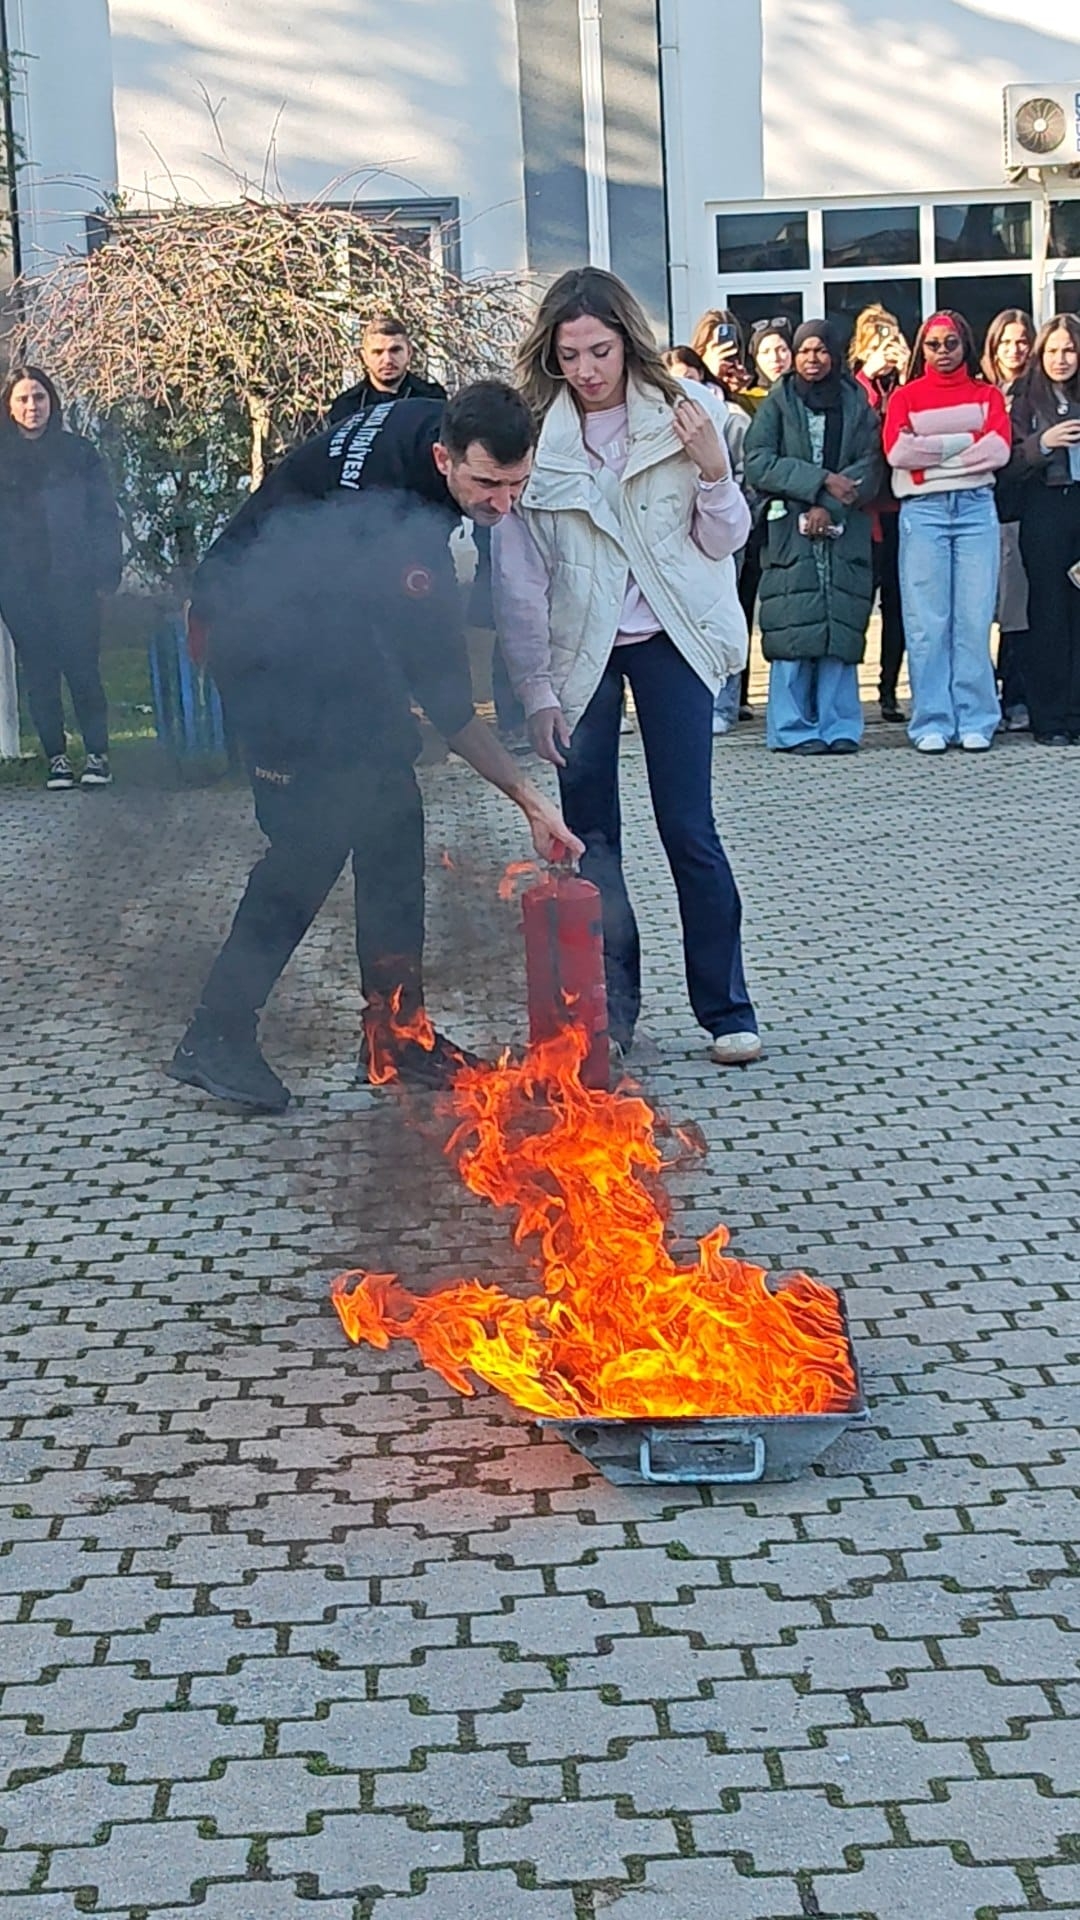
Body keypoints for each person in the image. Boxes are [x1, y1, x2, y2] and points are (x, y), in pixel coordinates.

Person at [169, 384, 583, 1114]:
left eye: (517, 484)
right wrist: (530, 801)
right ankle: (215, 1034)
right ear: (441, 458)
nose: (503, 503)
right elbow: (449, 702)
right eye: (487, 484)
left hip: (330, 636)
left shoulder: (440, 422)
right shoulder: (400, 533)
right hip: (255, 635)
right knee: (311, 839)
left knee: (392, 815)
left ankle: (397, 1035)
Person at [493, 267, 760, 1068]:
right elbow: (518, 580)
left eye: (600, 350)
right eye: (569, 354)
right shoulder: (532, 439)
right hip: (584, 654)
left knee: (690, 829)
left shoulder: (687, 413)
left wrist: (714, 468)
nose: (587, 370)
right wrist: (536, 690)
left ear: (627, 342)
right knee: (590, 838)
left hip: (671, 639)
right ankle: (609, 1015)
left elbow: (725, 540)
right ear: (550, 355)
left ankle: (727, 1010)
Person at [743, 320, 882, 754]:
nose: (812, 359)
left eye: (821, 350)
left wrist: (833, 504)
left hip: (843, 530)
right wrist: (819, 483)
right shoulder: (778, 402)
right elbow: (759, 461)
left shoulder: (856, 402)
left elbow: (871, 464)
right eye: (805, 351)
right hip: (791, 531)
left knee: (840, 629)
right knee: (793, 629)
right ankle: (792, 728)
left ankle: (839, 726)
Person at [884, 311, 1011, 753]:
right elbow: (899, 451)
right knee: (926, 622)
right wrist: (963, 443)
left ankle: (977, 718)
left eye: (951, 343)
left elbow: (997, 448)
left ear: (965, 346)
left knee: (973, 619)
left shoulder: (987, 394)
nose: (942, 352)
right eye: (934, 344)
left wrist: (932, 463)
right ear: (923, 347)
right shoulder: (905, 397)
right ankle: (932, 720)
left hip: (976, 511)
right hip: (924, 513)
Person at [0, 366, 122, 789]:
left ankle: (97, 755)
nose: (32, 406)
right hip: (19, 585)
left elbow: (104, 514)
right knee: (39, 673)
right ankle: (56, 757)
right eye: (23, 399)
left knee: (83, 668)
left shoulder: (79, 453)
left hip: (75, 580)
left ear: (52, 402)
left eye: (39, 397)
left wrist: (107, 569)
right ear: (9, 406)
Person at [663, 346, 752, 736]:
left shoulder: (727, 419)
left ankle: (724, 703)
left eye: (689, 374)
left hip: (712, 540)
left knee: (719, 614)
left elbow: (731, 525)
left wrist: (714, 471)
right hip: (667, 563)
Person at [1005, 313, 1080, 745]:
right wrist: (1043, 445)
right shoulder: (1026, 397)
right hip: (1043, 509)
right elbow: (1009, 463)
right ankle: (1049, 718)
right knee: (1048, 614)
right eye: (1052, 350)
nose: (1061, 358)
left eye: (1069, 349)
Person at [848, 304, 911, 723]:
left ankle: (889, 689)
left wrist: (905, 375)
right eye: (876, 342)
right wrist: (870, 377)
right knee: (858, 605)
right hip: (864, 513)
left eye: (891, 340)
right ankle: (848, 692)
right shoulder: (853, 385)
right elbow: (858, 427)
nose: (885, 350)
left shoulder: (908, 383)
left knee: (899, 606)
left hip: (903, 509)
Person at [982, 308, 1036, 731]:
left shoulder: (1038, 393)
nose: (1014, 350)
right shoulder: (982, 392)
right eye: (1006, 342)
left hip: (1021, 513)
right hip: (982, 513)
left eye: (1022, 341)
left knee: (1017, 613)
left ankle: (1015, 696)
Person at [328, 313, 448, 424]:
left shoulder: (431, 398)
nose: (388, 360)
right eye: (378, 352)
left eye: (395, 350)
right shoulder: (347, 405)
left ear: (409, 352)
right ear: (364, 357)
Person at [689, 309, 755, 415]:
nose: (724, 351)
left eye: (731, 345)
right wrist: (711, 376)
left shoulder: (744, 397)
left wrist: (736, 392)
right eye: (716, 346)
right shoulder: (689, 379)